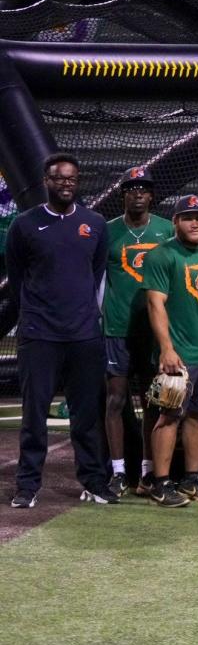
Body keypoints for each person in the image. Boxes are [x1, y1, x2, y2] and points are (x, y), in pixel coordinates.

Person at [8, 153, 114, 509]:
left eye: (71, 179)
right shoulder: (24, 224)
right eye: (58, 178)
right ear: (45, 182)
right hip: (39, 334)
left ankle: (95, 482)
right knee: (34, 415)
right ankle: (27, 486)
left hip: (84, 335)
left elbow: (96, 272)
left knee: (87, 416)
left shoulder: (95, 223)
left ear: (77, 181)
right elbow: (17, 275)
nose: (65, 184)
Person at [142, 195, 198, 507]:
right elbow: (155, 304)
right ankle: (161, 481)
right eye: (189, 217)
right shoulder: (161, 256)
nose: (196, 223)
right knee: (168, 417)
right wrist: (166, 349)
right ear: (176, 221)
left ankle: (193, 477)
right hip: (177, 356)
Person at [101, 166, 173, 497]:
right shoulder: (107, 231)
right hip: (116, 329)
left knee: (154, 400)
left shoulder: (166, 229)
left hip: (153, 331)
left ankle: (146, 471)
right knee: (115, 398)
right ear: (123, 195)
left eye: (144, 188)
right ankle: (117, 472)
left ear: (152, 195)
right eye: (132, 188)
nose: (138, 192)